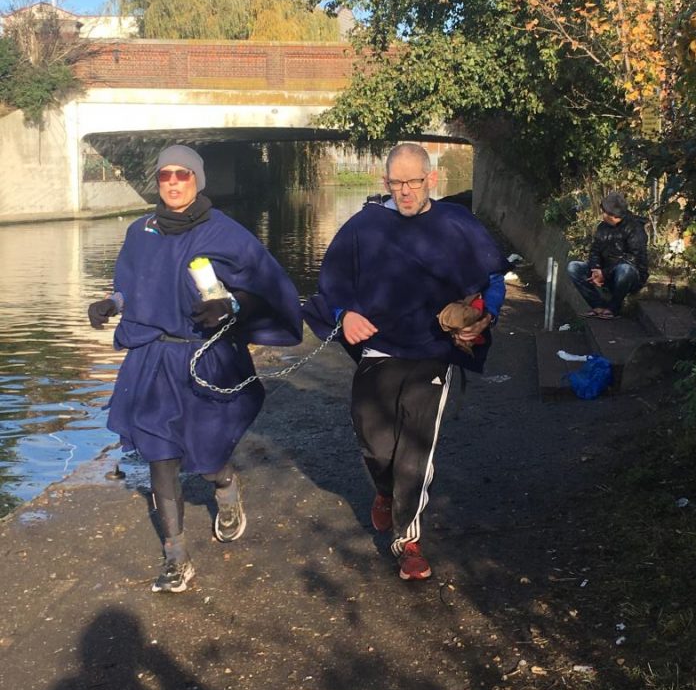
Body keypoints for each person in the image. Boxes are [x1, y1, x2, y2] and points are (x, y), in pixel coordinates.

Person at [87, 144, 302, 593]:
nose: (172, 183)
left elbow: (264, 288)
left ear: (197, 179)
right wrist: (113, 303)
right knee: (159, 456)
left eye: (182, 175)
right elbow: (132, 287)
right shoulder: (140, 231)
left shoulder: (225, 234)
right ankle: (176, 558)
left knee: (205, 456)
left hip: (207, 357)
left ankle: (223, 486)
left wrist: (232, 306)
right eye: (165, 175)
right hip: (152, 358)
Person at [303, 142, 508, 582]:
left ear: (430, 180)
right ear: (386, 183)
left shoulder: (457, 224)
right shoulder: (364, 227)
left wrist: (485, 315)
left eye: (413, 182)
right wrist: (344, 314)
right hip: (380, 348)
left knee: (415, 449)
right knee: (375, 444)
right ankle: (383, 490)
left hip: (434, 351)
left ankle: (407, 540)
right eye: (396, 183)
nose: (405, 192)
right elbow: (332, 284)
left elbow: (492, 278)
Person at [566, 191, 649, 319]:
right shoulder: (603, 227)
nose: (603, 215)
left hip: (629, 275)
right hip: (604, 272)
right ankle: (597, 306)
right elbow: (595, 250)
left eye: (605, 212)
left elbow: (633, 259)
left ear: (613, 215)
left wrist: (604, 273)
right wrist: (596, 269)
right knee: (573, 267)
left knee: (625, 270)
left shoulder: (635, 228)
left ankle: (613, 308)